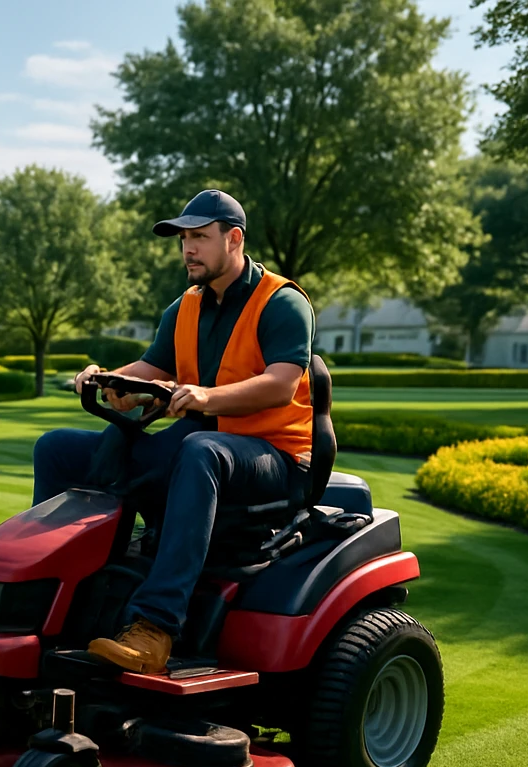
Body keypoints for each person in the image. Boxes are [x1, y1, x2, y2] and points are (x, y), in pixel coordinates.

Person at [32, 189, 316, 675]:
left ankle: (155, 627)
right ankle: (47, 593)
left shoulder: (282, 303)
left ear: (234, 239)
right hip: (202, 447)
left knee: (200, 449)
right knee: (58, 448)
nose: (188, 249)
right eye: (184, 239)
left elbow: (280, 384)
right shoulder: (185, 306)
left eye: (200, 238)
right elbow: (151, 366)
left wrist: (206, 397)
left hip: (275, 457)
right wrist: (109, 378)